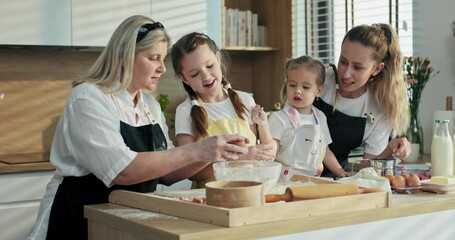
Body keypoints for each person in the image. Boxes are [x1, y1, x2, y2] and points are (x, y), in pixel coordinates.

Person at [28, 16, 248, 240]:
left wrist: (214, 152)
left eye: (163, 59)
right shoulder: (89, 98)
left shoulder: (149, 105)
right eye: (154, 58)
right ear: (125, 58)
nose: (162, 68)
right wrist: (198, 150)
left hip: (125, 223)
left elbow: (168, 173)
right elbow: (122, 171)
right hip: (78, 222)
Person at [170, 32, 277, 188]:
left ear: (218, 58)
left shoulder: (245, 100)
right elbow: (190, 171)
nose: (206, 76)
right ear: (184, 78)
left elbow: (262, 148)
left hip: (251, 190)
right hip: (210, 196)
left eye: (209, 66)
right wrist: (241, 158)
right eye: (195, 73)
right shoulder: (185, 111)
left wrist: (266, 150)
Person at [313, 23, 411, 177]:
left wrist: (390, 150)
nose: (346, 74)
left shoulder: (379, 107)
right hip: (292, 172)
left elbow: (367, 169)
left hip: (336, 178)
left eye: (357, 67)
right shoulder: (318, 79)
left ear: (376, 69)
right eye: (343, 62)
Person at [268, 56, 348, 180]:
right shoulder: (278, 118)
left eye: (305, 87)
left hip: (312, 180)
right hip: (284, 180)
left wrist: (340, 172)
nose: (298, 91)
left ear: (319, 91)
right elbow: (271, 151)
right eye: (292, 85)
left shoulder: (320, 118)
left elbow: (325, 151)